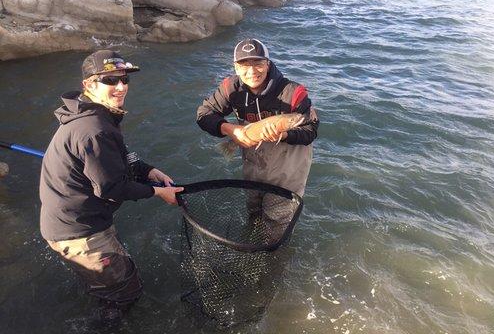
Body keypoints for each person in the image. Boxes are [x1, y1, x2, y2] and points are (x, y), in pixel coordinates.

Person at [39, 50, 183, 328]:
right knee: (127, 291)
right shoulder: (94, 129)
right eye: (110, 80)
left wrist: (147, 170)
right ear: (89, 85)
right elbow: (112, 188)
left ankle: (100, 290)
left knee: (108, 285)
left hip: (68, 222)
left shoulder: (93, 114)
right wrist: (158, 192)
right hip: (80, 231)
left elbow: (118, 156)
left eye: (124, 79)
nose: (121, 87)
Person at [196, 38, 319, 239]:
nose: (252, 72)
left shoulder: (294, 92)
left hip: (286, 172)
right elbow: (203, 114)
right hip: (253, 166)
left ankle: (274, 262)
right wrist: (230, 130)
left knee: (276, 227)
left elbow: (310, 130)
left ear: (268, 64)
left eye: (258, 64)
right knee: (254, 215)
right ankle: (252, 246)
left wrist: (284, 133)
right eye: (244, 65)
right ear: (235, 67)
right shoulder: (231, 88)